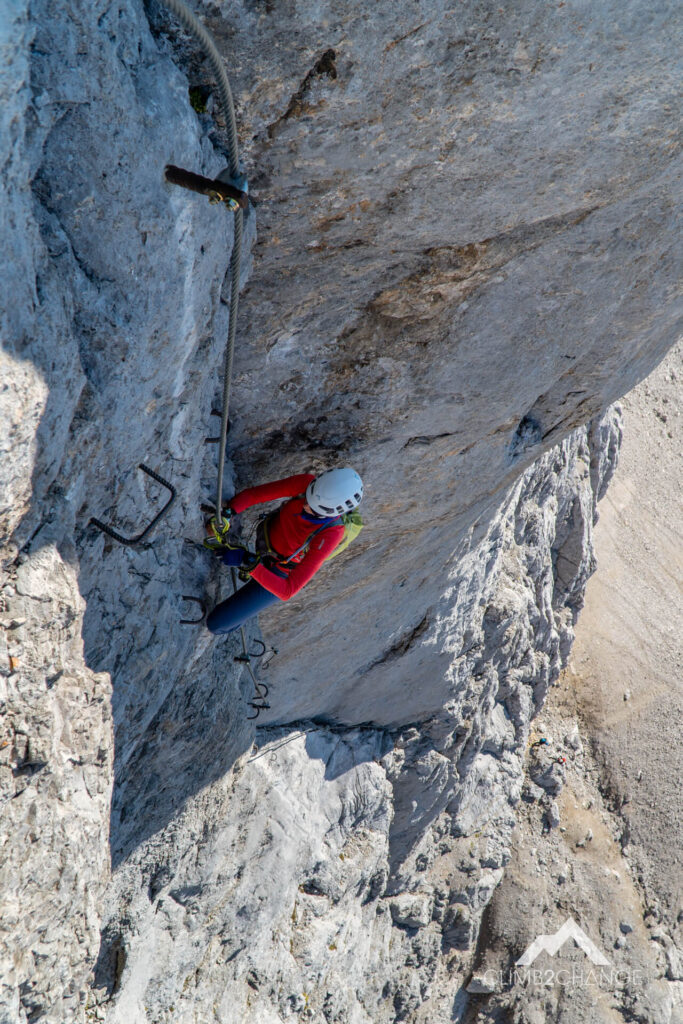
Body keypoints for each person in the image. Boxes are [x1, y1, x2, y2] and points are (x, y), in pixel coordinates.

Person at [205, 467, 363, 635]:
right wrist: (228, 513)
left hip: (280, 573)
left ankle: (241, 617)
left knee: (217, 624)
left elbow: (288, 590)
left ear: (329, 513)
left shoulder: (331, 534)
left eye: (313, 508)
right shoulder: (306, 484)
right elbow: (254, 495)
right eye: (307, 498)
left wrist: (248, 562)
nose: (305, 505)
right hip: (265, 542)